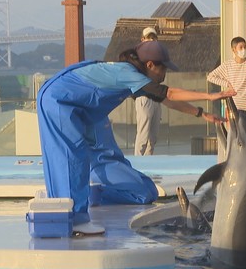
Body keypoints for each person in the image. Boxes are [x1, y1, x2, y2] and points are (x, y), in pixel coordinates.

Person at [37, 41, 235, 233]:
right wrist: (211, 96)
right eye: (163, 68)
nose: (165, 74)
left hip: (67, 102)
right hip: (60, 101)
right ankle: (75, 219)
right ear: (149, 65)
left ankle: (61, 204)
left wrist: (202, 114)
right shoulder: (127, 74)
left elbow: (168, 100)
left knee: (71, 157)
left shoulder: (132, 77)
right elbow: (171, 94)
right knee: (73, 157)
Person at [207, 36, 246, 117]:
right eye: (240, 47)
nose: (243, 50)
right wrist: (227, 84)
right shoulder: (228, 65)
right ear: (234, 49)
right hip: (234, 107)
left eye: (245, 47)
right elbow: (210, 77)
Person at [134, 27, 162, 155]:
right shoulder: (137, 56)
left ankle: (149, 167)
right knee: (143, 136)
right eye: (149, 38)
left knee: (153, 137)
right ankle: (137, 166)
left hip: (156, 97)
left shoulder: (159, 56)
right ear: (142, 39)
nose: (151, 41)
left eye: (154, 38)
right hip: (144, 98)